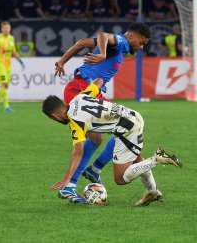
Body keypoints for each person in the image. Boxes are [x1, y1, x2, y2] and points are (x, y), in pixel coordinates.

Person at [42, 78, 182, 205]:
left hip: (126, 129)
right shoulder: (79, 97)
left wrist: (67, 178)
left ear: (54, 116)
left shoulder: (75, 121)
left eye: (52, 119)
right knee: (138, 161)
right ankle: (153, 192)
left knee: (120, 178)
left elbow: (78, 151)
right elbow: (99, 81)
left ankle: (157, 159)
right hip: (134, 116)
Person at [54, 22, 150, 203]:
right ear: (132, 36)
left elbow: (82, 42)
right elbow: (103, 35)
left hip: (81, 88)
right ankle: (85, 175)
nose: (141, 47)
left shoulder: (119, 48)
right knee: (126, 127)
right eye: (142, 42)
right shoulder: (121, 42)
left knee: (97, 138)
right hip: (83, 89)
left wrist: (62, 61)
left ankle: (83, 177)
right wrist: (103, 54)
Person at [0, 21, 25, 112]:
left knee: (5, 86)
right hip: (0, 65)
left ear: (10, 29)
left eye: (8, 28)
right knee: (4, 84)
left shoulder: (11, 38)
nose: (6, 30)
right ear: (1, 29)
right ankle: (4, 106)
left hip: (8, 66)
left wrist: (20, 61)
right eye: (4, 28)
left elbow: (14, 52)